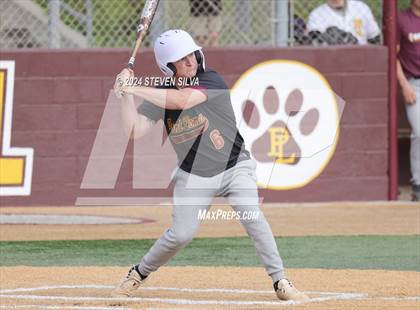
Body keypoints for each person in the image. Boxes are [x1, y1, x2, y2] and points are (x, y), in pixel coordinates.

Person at [111, 29, 308, 301]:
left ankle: (280, 281)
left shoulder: (210, 79)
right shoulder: (161, 94)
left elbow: (183, 100)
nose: (190, 60)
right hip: (193, 176)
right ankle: (138, 273)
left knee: (252, 215)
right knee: (180, 235)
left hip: (235, 166)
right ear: (168, 67)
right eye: (181, 59)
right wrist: (124, 95)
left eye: (191, 53)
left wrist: (132, 86)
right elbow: (135, 129)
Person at [397, 0, 420, 201]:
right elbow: (393, 56)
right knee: (419, 131)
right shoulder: (402, 19)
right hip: (414, 84)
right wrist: (405, 85)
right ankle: (418, 183)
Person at [307, 0, 381, 45]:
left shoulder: (361, 8)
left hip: (362, 57)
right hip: (333, 60)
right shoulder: (316, 15)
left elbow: (374, 37)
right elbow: (315, 42)